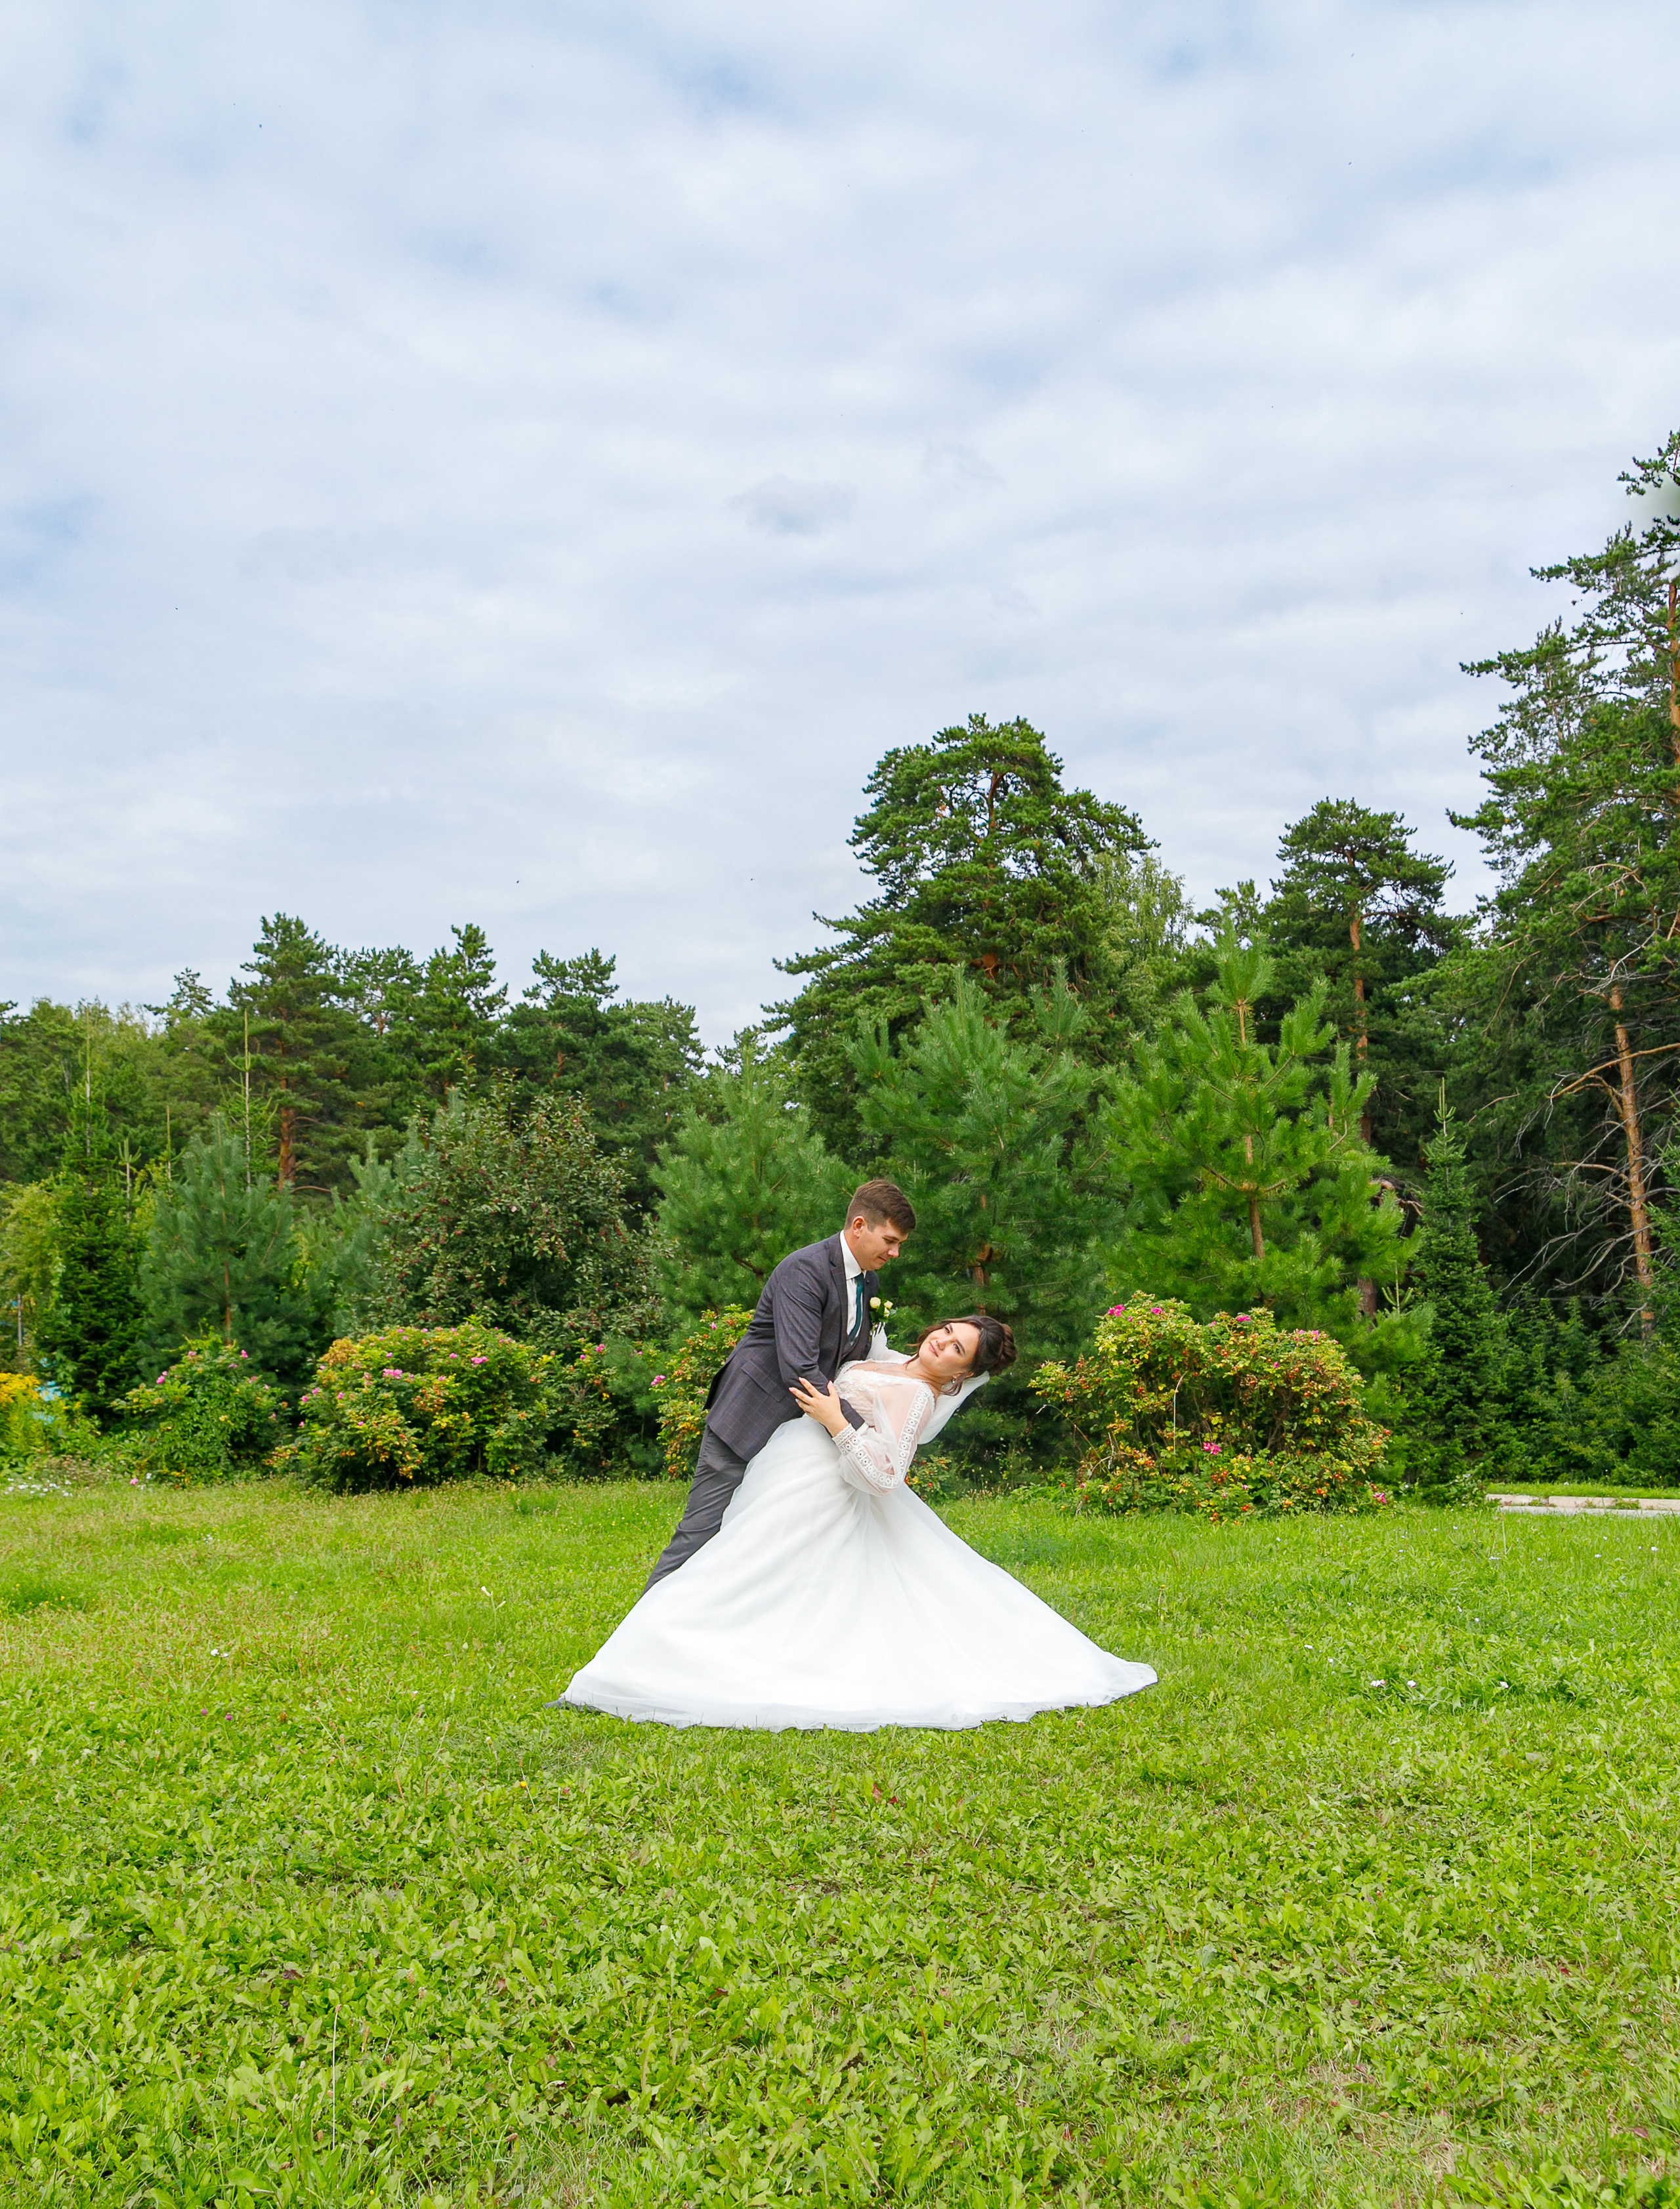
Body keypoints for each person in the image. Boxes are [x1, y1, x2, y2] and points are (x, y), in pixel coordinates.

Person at [559, 1307, 1157, 1732]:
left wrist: (834, 1418)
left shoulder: (918, 1396)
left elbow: (883, 1476)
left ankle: (660, 1661)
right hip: (787, 1468)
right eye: (946, 1332)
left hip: (821, 1488)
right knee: (744, 1563)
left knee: (743, 1570)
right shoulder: (894, 1364)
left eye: (955, 1350)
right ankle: (663, 1652)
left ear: (961, 1376)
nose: (940, 1344)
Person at [642, 1179, 915, 1589]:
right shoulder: (804, 1270)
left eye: (900, 1244)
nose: (895, 1253)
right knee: (700, 1534)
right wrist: (863, 1431)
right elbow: (802, 1369)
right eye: (890, 1241)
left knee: (760, 1544)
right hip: (750, 1416)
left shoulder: (868, 1281)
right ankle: (639, 1636)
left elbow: (850, 1361)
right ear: (859, 1225)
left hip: (799, 1438)